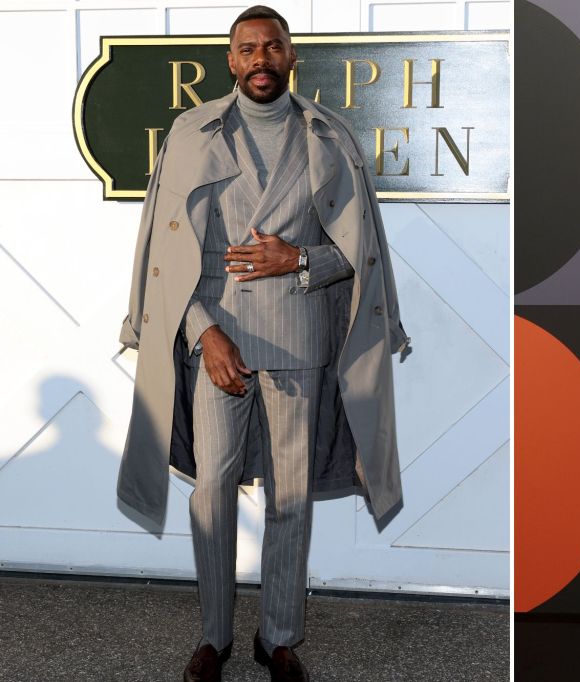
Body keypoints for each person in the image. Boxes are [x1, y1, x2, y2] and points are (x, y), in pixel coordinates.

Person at [116, 6, 410, 681]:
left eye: (271, 46)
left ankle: (277, 637)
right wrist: (201, 332)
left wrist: (301, 262)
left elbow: (356, 255)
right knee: (211, 490)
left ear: (291, 54)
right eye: (246, 48)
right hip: (214, 339)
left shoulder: (330, 136)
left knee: (289, 496)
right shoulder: (190, 134)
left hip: (298, 340)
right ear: (230, 60)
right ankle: (214, 638)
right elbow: (167, 256)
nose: (260, 58)